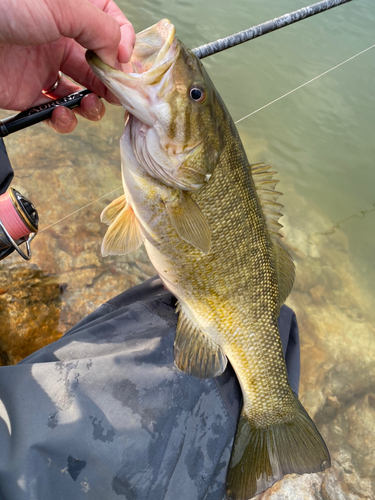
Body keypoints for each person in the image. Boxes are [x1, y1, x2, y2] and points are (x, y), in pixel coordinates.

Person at [0, 2, 301, 499]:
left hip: (212, 309)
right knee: (279, 325)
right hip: (211, 287)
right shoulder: (167, 169)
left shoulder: (171, 174)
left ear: (204, 155)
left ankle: (270, 413)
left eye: (194, 94)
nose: (189, 89)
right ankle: (264, 415)